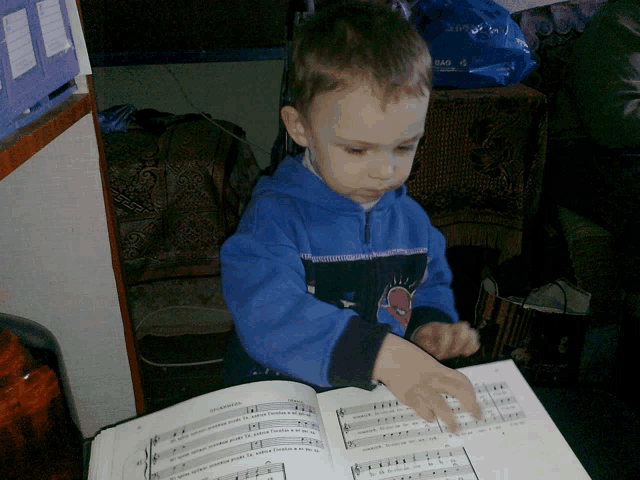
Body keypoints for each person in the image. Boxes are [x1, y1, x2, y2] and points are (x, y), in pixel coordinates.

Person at [220, 1, 482, 432]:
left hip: (367, 406)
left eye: (403, 147)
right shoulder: (274, 219)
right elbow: (267, 314)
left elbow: (428, 283)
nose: (385, 171)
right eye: (357, 149)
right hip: (279, 403)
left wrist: (427, 326)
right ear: (300, 127)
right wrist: (381, 354)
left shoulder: (412, 221)